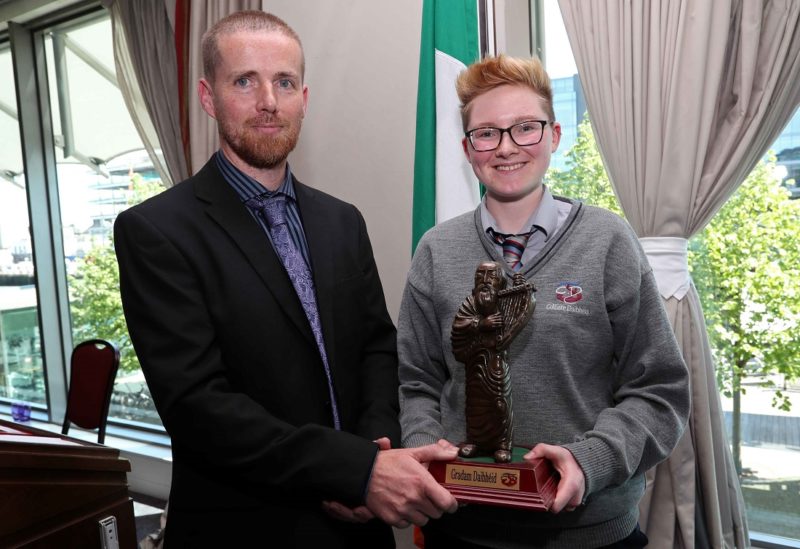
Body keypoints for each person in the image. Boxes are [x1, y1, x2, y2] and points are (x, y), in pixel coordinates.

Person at [114, 11, 457, 548]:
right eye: (245, 81)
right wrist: (355, 470)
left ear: (304, 97)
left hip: (359, 528)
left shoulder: (342, 220)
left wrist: (374, 456)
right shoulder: (155, 232)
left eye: (285, 82)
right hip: (246, 528)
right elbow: (199, 407)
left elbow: (376, 349)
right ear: (209, 97)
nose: (268, 101)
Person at [398, 54, 690, 548]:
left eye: (525, 128)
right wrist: (429, 451)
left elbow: (658, 390)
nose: (506, 147)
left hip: (591, 535)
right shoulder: (436, 250)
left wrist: (589, 459)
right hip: (462, 530)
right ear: (468, 150)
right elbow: (418, 381)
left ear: (554, 136)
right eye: (487, 133)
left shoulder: (607, 241)